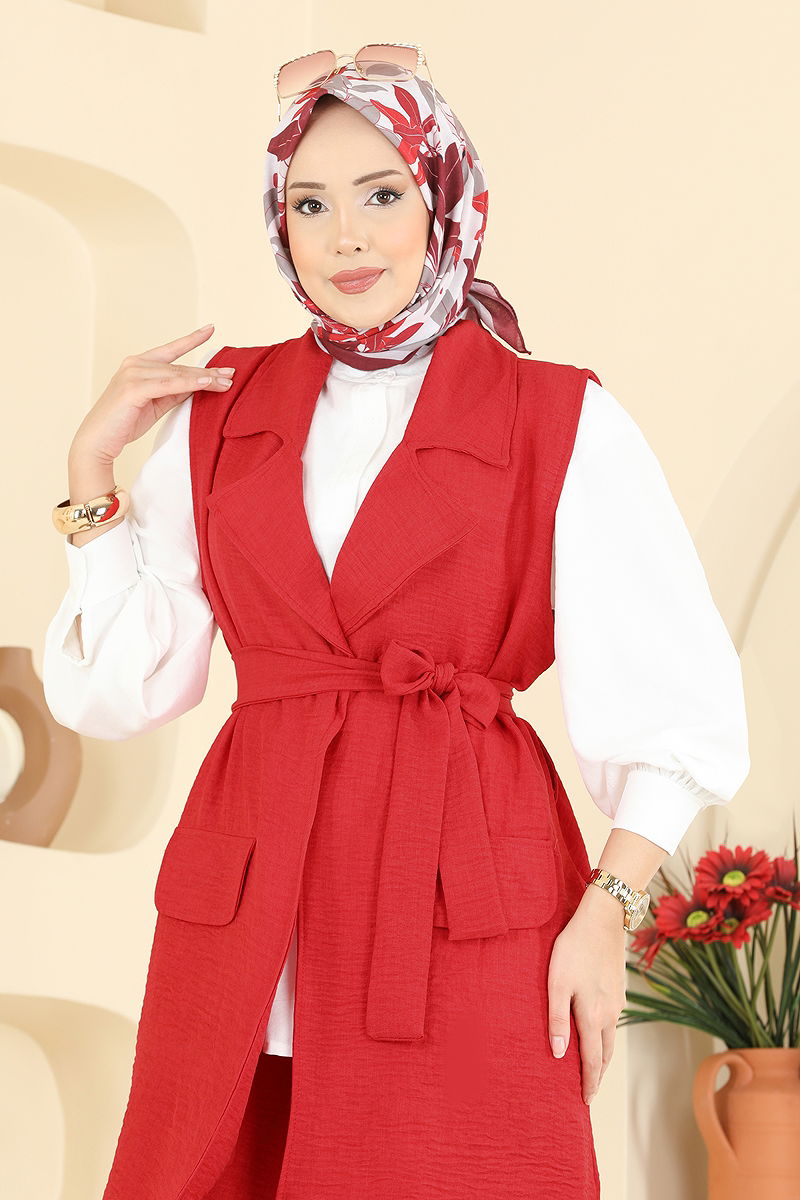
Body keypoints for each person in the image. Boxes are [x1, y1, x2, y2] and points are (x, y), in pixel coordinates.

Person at [44, 50, 750, 1199]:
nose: (346, 238)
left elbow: (674, 703)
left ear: (443, 197)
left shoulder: (556, 415)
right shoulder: (219, 408)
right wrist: (91, 471)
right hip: (249, 894)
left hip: (459, 891)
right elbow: (127, 687)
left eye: (380, 194)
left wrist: (606, 913)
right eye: (309, 206)